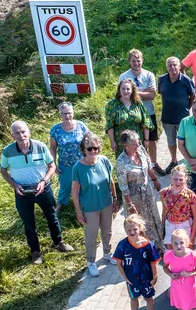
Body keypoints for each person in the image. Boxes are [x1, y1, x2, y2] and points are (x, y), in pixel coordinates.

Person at [0, 121, 70, 265]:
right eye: (17, 133)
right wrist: (14, 185)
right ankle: (35, 252)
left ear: (29, 132)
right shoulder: (7, 151)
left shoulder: (40, 146)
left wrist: (44, 181)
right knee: (29, 223)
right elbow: (3, 170)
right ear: (12, 135)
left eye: (23, 131)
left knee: (52, 216)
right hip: (22, 192)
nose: (21, 135)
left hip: (43, 189)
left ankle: (59, 242)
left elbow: (51, 165)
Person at [72, 132, 119, 277]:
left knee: (108, 231)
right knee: (91, 236)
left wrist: (115, 198)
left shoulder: (104, 161)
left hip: (106, 203)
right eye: (89, 149)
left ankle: (107, 253)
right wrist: (79, 212)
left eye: (95, 148)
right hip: (89, 208)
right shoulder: (78, 168)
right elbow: (75, 192)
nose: (93, 151)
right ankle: (91, 262)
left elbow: (110, 180)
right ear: (83, 150)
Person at [118, 49, 164, 175]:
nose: (136, 63)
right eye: (133, 61)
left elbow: (152, 95)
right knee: (134, 140)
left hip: (148, 112)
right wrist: (143, 92)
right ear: (129, 62)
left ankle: (154, 164)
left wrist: (134, 92)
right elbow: (123, 95)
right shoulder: (123, 77)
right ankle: (137, 165)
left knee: (152, 140)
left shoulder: (149, 75)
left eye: (138, 61)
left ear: (142, 60)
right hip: (132, 115)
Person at [116, 130, 163, 247]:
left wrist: (155, 180)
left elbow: (148, 166)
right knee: (138, 222)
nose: (138, 145)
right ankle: (140, 247)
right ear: (126, 146)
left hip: (147, 191)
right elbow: (123, 185)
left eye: (138, 142)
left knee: (152, 218)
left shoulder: (141, 150)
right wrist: (129, 204)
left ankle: (157, 245)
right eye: (134, 144)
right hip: (133, 197)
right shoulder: (121, 162)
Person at [113, 215, 159, 310]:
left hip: (146, 279)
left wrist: (155, 277)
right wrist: (125, 278)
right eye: (129, 230)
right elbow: (119, 263)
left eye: (135, 229)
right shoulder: (123, 244)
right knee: (133, 298)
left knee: (148, 299)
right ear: (125, 230)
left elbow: (154, 262)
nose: (132, 232)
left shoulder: (148, 245)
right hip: (132, 280)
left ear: (140, 228)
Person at [49, 102, 89, 213]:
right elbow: (52, 147)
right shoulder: (55, 129)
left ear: (73, 113)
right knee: (65, 185)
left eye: (69, 113)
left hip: (82, 163)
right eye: (64, 113)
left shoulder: (81, 126)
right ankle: (61, 204)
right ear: (60, 114)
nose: (67, 116)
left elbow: (89, 142)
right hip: (65, 164)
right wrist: (53, 163)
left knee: (84, 184)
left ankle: (84, 204)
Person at [159, 56, 196, 173]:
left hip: (183, 118)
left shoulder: (186, 80)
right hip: (167, 117)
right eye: (170, 65)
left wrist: (187, 108)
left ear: (179, 66)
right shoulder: (161, 80)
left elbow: (193, 96)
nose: (172, 67)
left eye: (175, 64)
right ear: (166, 67)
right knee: (170, 141)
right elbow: (161, 95)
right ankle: (174, 160)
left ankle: (187, 161)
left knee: (186, 141)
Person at [105, 79, 151, 156]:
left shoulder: (138, 104)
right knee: (125, 164)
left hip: (137, 140)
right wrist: (112, 142)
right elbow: (110, 125)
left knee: (139, 161)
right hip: (121, 141)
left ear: (132, 90)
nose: (125, 91)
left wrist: (146, 140)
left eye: (128, 89)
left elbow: (146, 122)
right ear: (119, 90)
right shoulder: (112, 105)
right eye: (123, 89)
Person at [160, 164, 196, 247]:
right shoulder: (164, 193)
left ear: (186, 179)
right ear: (170, 178)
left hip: (185, 226)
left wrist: (192, 236)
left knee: (188, 252)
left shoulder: (190, 195)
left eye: (181, 179)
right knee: (171, 253)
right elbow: (164, 212)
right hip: (169, 226)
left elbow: (195, 216)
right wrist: (162, 228)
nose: (178, 182)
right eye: (175, 179)